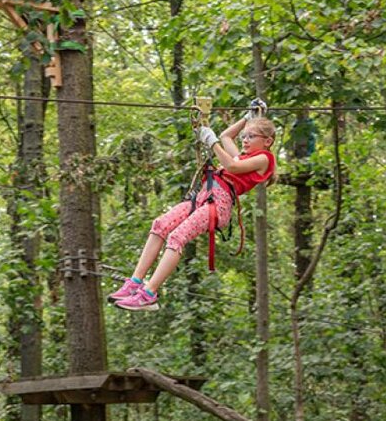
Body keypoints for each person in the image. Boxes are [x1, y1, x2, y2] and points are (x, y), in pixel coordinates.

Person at [110, 112, 278, 312]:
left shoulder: (264, 159)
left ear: (267, 141)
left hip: (218, 204)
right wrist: (246, 118)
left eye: (251, 136)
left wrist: (212, 143)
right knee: (160, 225)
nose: (245, 140)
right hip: (203, 198)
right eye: (244, 136)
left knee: (176, 237)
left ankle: (149, 294)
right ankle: (135, 282)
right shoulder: (244, 156)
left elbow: (232, 166)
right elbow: (226, 136)